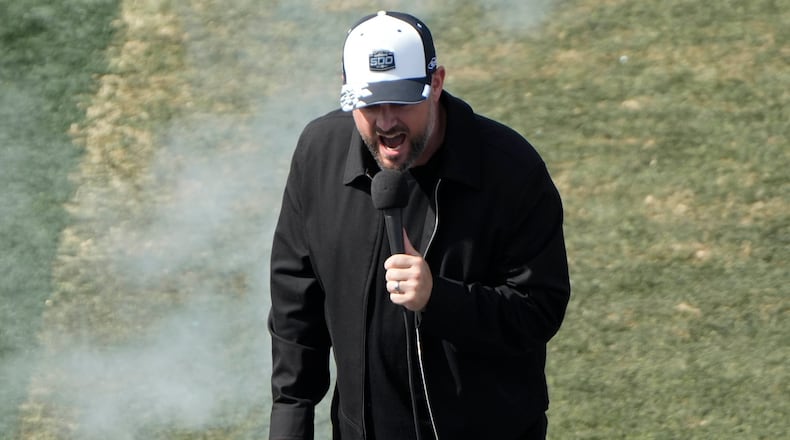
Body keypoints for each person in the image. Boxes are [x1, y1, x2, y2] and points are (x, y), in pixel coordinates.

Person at [268, 10, 570, 440]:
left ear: (437, 84)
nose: (388, 122)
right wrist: (290, 419)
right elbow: (295, 300)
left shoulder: (510, 172)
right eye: (371, 103)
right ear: (346, 90)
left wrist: (438, 297)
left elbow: (540, 310)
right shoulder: (319, 154)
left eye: (403, 100)